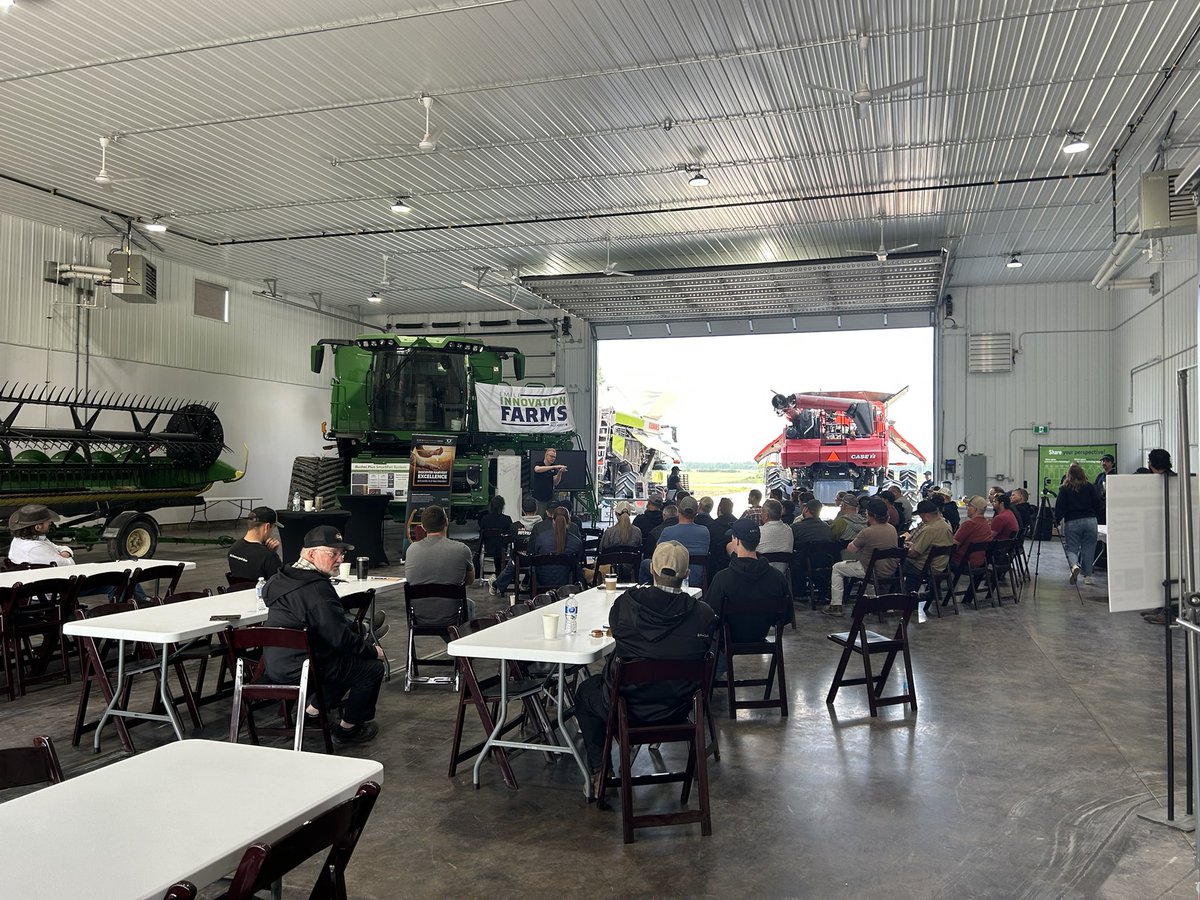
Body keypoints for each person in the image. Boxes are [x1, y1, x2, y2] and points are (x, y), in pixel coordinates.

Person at [573, 541, 718, 792]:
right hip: (677, 709)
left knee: (586, 692)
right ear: (687, 573)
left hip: (628, 708)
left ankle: (600, 771)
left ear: (651, 568)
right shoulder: (704, 616)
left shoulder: (626, 606)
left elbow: (619, 636)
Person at [263, 525, 385, 745]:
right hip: (303, 666)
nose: (340, 559)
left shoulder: (280, 578)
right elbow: (338, 638)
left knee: (344, 660)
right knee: (370, 669)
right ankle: (349, 729)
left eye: (342, 553)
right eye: (333, 553)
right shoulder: (316, 589)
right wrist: (371, 651)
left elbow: (325, 626)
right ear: (311, 554)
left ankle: (312, 712)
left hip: (277, 662)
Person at [707, 519, 791, 650]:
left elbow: (710, 617)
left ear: (737, 541)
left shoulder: (722, 579)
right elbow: (787, 617)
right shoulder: (778, 578)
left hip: (728, 642)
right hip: (760, 635)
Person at [823, 497, 898, 618]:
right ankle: (872, 602)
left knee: (837, 568)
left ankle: (836, 605)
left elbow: (851, 549)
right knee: (868, 568)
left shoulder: (868, 532)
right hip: (889, 569)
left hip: (870, 570)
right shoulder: (892, 529)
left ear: (872, 515)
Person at [405, 504, 477, 617]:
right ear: (446, 522)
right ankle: (461, 629)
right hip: (452, 615)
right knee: (470, 605)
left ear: (423, 527)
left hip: (419, 615)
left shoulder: (411, 550)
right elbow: (470, 580)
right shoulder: (462, 549)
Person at [1054, 463, 1102, 585]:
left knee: (1071, 548)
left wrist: (1056, 521)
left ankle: (1074, 565)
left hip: (1072, 521)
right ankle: (1088, 577)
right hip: (1090, 521)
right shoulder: (1090, 487)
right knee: (1089, 548)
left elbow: (1060, 507)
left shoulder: (1064, 489)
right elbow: (1098, 503)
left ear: (1068, 475)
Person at [488, 496, 542, 596]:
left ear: (522, 510)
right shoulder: (542, 527)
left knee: (513, 562)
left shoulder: (514, 526)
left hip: (519, 560)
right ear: (536, 509)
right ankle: (526, 583)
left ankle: (496, 585)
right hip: (538, 560)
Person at [651, 495, 710, 584]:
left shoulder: (667, 531)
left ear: (678, 510)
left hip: (670, 578)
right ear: (696, 512)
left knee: (646, 563)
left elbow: (658, 553)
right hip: (697, 577)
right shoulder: (705, 531)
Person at [901, 499, 954, 590]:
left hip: (924, 567)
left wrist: (903, 550)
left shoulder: (929, 529)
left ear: (926, 516)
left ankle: (903, 593)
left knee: (896, 565)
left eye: (921, 517)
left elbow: (914, 554)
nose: (922, 521)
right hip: (941, 566)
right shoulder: (946, 525)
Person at [529, 505, 584, 590]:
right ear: (568, 521)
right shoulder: (576, 542)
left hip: (541, 581)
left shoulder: (541, 538)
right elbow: (580, 559)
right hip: (567, 584)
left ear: (553, 521)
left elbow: (534, 554)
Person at [5, 504, 74, 566]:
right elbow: (69, 564)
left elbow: (56, 547)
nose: (50, 523)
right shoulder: (35, 548)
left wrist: (66, 551)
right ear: (38, 527)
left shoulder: (20, 539)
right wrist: (67, 555)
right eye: (47, 522)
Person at [226, 506, 283, 581]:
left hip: (238, 588)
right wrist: (273, 555)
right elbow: (280, 583)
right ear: (267, 526)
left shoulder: (233, 549)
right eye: (273, 527)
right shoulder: (268, 556)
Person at [951, 496, 992, 572]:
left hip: (962, 562)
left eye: (969, 506)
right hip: (979, 562)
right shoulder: (986, 525)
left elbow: (954, 544)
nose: (967, 508)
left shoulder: (969, 524)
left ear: (974, 509)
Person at [476, 495, 514, 578]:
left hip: (489, 548)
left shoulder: (485, 519)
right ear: (502, 506)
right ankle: (502, 574)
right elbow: (510, 535)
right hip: (503, 549)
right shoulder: (507, 519)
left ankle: (497, 573)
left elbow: (482, 534)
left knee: (495, 546)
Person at [756, 498, 793, 578]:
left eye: (761, 512)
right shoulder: (788, 530)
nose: (760, 515)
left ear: (766, 516)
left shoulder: (759, 531)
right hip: (782, 575)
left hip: (761, 575)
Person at [707, 497, 738, 578]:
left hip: (716, 566)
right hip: (735, 564)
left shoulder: (712, 526)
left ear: (719, 508)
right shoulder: (738, 525)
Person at [532, 448, 568, 516]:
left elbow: (555, 482)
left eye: (554, 457)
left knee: (552, 516)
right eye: (551, 456)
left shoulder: (554, 467)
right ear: (546, 455)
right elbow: (537, 469)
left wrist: (560, 472)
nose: (553, 458)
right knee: (540, 516)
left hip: (550, 497)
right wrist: (553, 467)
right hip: (539, 498)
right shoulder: (539, 463)